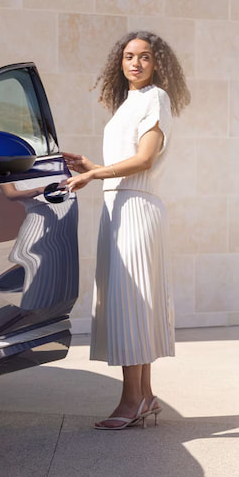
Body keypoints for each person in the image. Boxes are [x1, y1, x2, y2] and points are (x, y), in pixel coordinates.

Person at [61, 31, 190, 430]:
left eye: (145, 57)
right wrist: (91, 164)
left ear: (157, 64)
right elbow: (126, 159)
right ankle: (145, 396)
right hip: (119, 206)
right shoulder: (128, 104)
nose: (135, 63)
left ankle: (132, 400)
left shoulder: (156, 99)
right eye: (129, 56)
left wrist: (98, 173)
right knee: (130, 305)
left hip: (137, 209)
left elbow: (145, 160)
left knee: (131, 304)